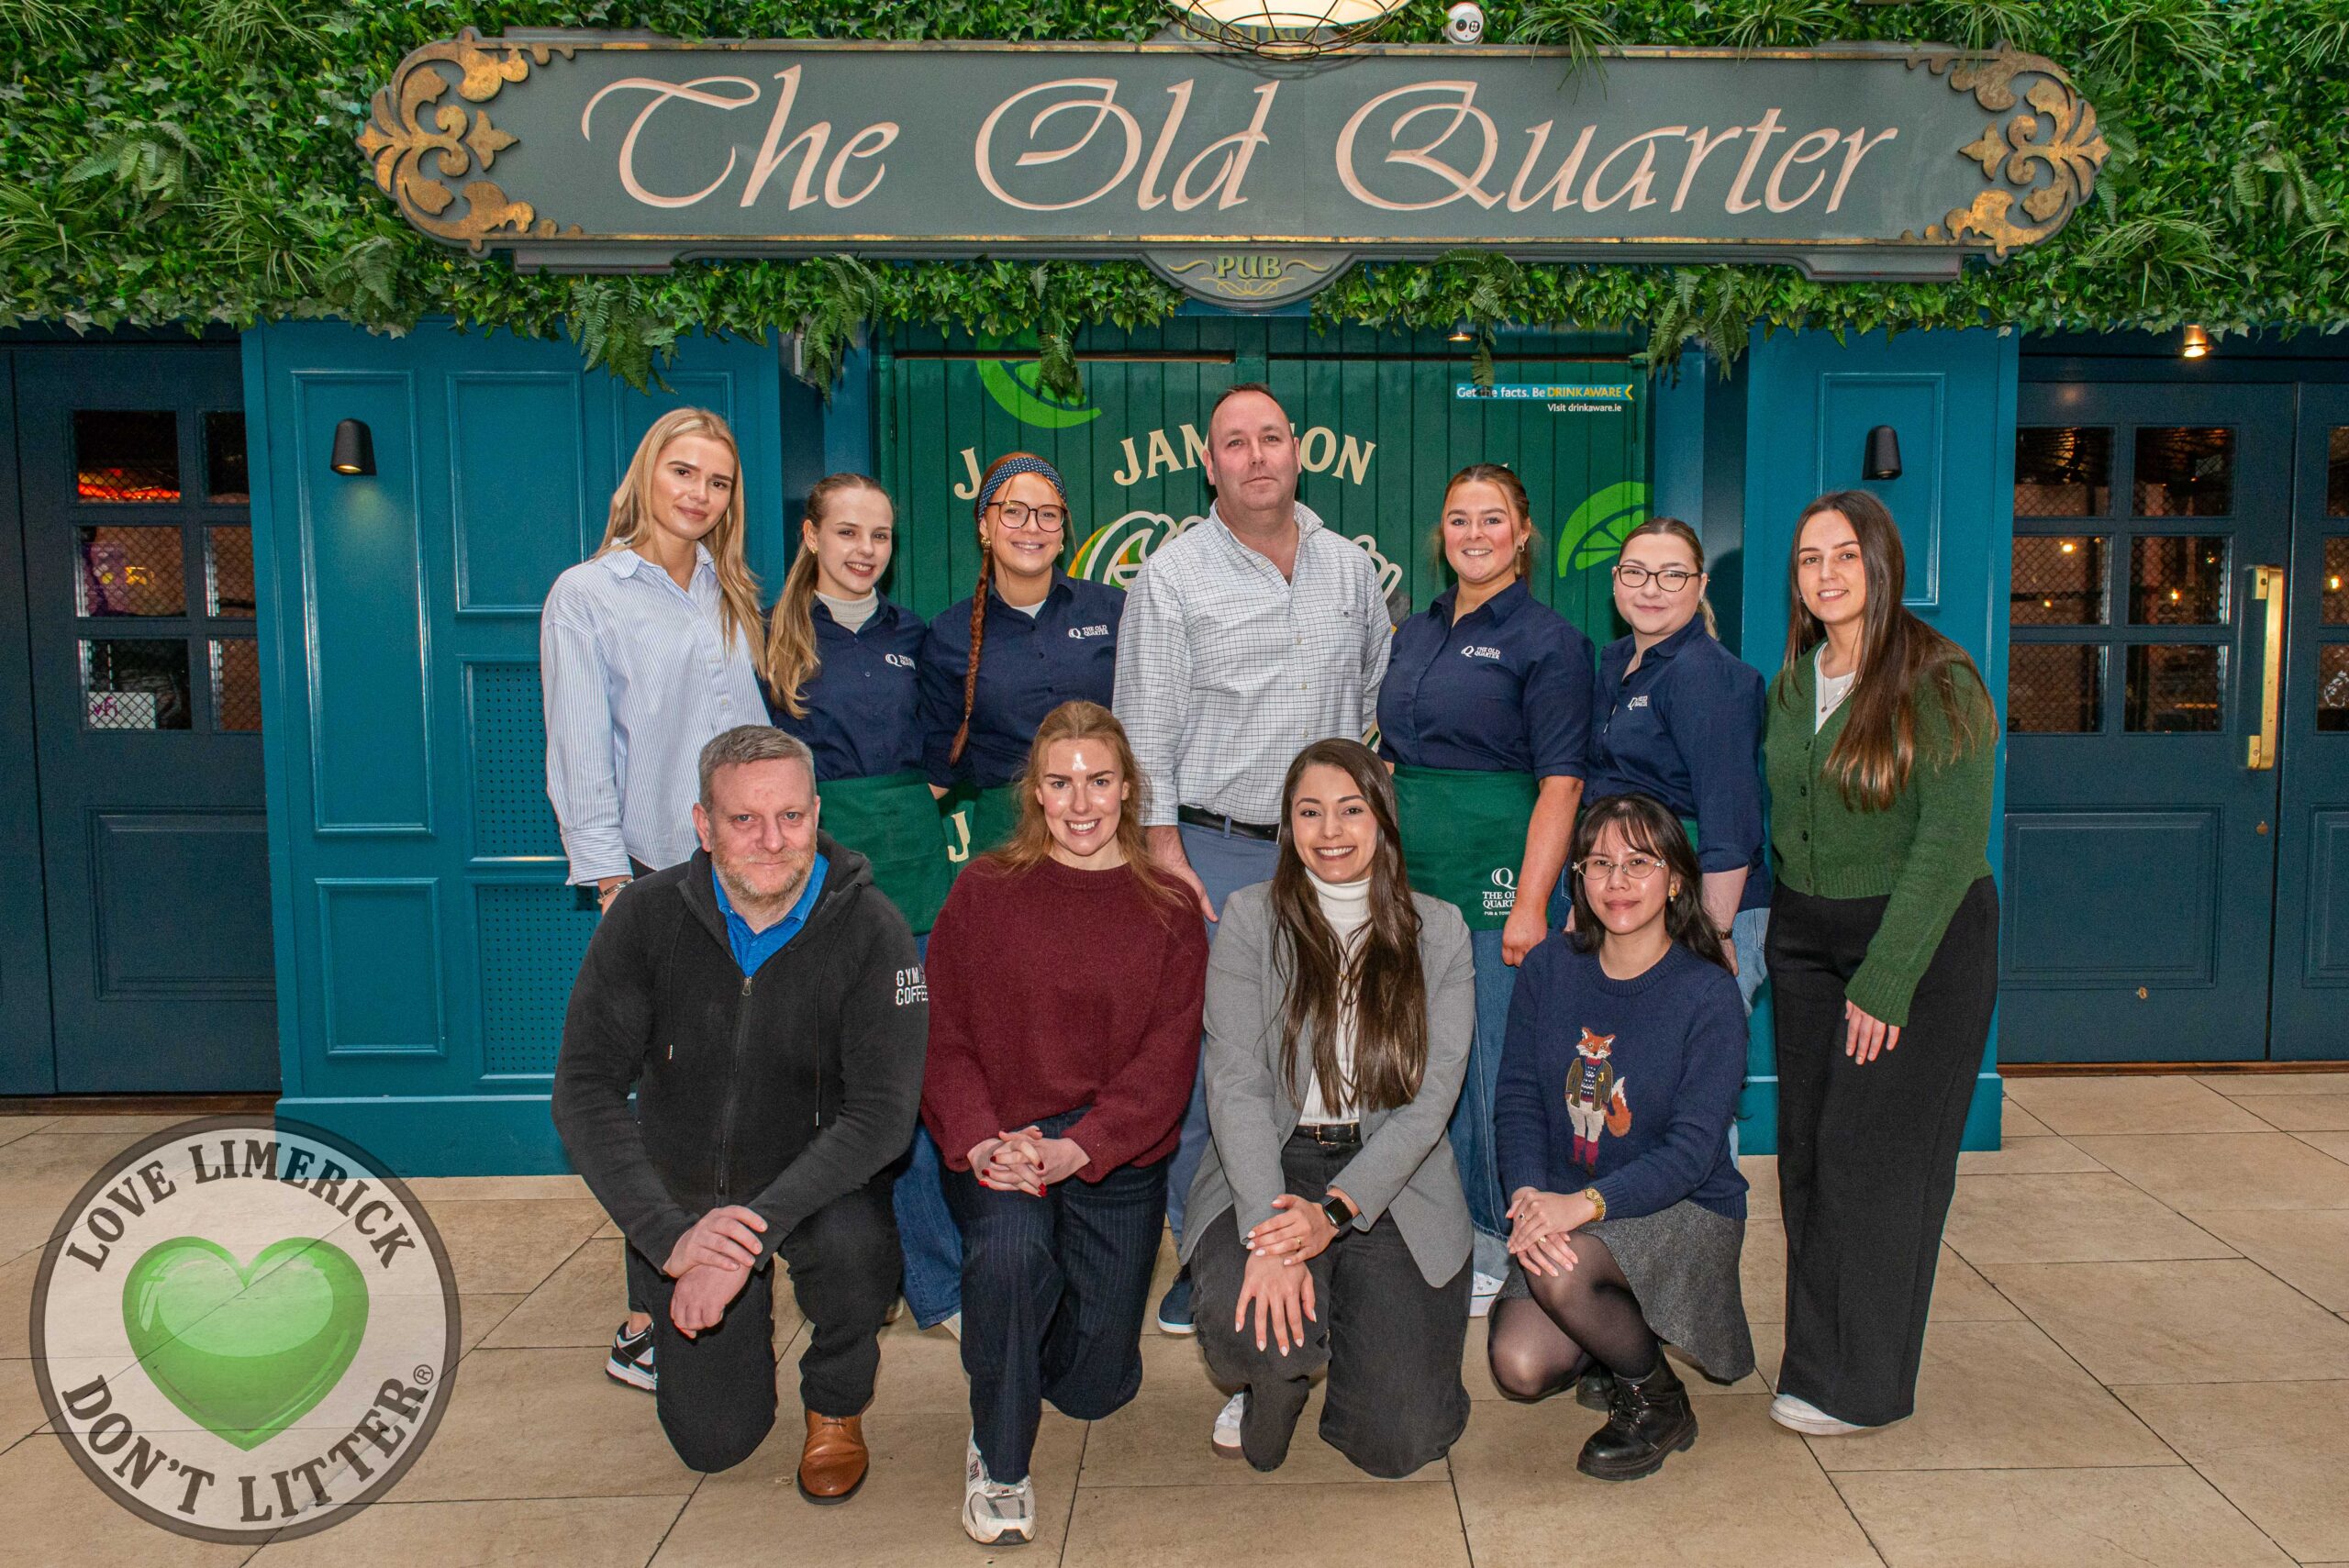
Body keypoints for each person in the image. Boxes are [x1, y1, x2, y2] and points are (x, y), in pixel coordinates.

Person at [551, 726, 926, 1497]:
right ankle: (684, 1316)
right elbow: (583, 1089)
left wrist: (743, 1241)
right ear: (702, 824)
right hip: (688, 1193)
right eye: (744, 820)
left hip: (818, 1180)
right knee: (716, 1443)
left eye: (791, 817)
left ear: (817, 814)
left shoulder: (872, 928)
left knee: (860, 1248)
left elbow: (885, 1116)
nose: (771, 840)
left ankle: (835, 1406)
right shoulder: (645, 919)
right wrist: (673, 1239)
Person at [1113, 382, 1393, 1334]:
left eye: (1270, 436)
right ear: (1209, 462)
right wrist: (1160, 852)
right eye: (1235, 442)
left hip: (1330, 856)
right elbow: (1141, 728)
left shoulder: (1348, 570)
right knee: (1213, 1063)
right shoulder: (1172, 577)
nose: (1256, 455)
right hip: (1214, 852)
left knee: (1320, 1055)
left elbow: (1373, 699)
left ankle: (1318, 1234)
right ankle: (1205, 1250)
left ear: (1297, 450)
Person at [921, 701, 1208, 1545]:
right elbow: (945, 1037)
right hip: (1003, 1142)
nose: (1081, 803)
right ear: (1034, 793)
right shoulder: (983, 891)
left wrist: (1080, 1145)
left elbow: (1167, 1063)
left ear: (1128, 789)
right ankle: (999, 1456)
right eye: (1060, 783)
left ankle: (1003, 1338)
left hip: (1110, 1152)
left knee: (1093, 1388)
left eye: (1099, 781)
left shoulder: (1169, 906)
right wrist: (980, 1139)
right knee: (1010, 1252)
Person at [540, 406, 767, 1394]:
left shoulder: (727, 591)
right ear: (645, 477)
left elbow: (750, 736)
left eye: (717, 481)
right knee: (665, 1108)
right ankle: (644, 1318)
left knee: (732, 1095)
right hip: (651, 880)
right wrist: (609, 885)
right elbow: (579, 750)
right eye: (683, 472)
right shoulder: (587, 594)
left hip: (741, 881)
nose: (699, 493)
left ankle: (717, 1273)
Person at [1763, 490, 1998, 1436]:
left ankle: (1863, 1386)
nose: (1825, 573)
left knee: (1875, 1163)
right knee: (1809, 1160)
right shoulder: (1792, 681)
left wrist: (1886, 976)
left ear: (1881, 564)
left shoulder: (1938, 677)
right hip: (1805, 939)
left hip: (1916, 941)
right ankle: (1814, 1364)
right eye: (1809, 557)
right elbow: (1792, 818)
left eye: (1845, 555)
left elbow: (1947, 841)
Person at [1183, 739, 1476, 1477]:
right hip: (1272, 1163)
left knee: (1398, 1442)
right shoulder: (1251, 919)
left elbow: (1431, 1099)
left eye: (1350, 809)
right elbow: (1237, 1082)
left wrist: (1335, 1214)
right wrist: (1269, 1234)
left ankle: (1358, 1328)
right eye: (1309, 811)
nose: (1330, 829)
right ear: (1287, 825)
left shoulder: (1438, 931)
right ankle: (1270, 1384)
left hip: (1390, 1179)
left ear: (1382, 818)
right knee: (1259, 1335)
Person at [1486, 792, 1754, 1481]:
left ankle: (1655, 1397)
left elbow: (1694, 1155)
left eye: (1639, 862)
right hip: (1569, 1207)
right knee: (1518, 1364)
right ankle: (1614, 1342)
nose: (1617, 880)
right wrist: (1528, 1197)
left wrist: (1582, 1206)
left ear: (1675, 879)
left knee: (1570, 1265)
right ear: (1579, 877)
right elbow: (1516, 1098)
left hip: (1682, 1208)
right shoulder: (1550, 967)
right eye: (1600, 862)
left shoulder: (1708, 994)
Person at [1377, 462, 1592, 1314]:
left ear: (1523, 533)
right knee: (1431, 1070)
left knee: (1499, 1068)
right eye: (1459, 518)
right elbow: (1390, 762)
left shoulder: (1549, 640)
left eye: (1492, 518)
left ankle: (1505, 1245)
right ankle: (1447, 1231)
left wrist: (1534, 903)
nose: (1474, 533)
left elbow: (1564, 784)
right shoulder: (1415, 632)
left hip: (1500, 884)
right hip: (1413, 888)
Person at [763, 473, 963, 1340]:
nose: (863, 550)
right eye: (846, 532)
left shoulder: (915, 637)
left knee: (908, 1074)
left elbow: (948, 747)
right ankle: (854, 1270)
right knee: (832, 1083)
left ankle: (937, 1281)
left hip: (914, 873)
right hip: (811, 875)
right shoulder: (770, 640)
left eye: (878, 535)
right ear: (812, 536)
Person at [1586, 517, 1772, 1011]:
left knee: (1690, 1070)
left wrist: (1716, 931)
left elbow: (1729, 818)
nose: (1651, 590)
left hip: (1702, 904)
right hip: (1634, 898)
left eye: (1672, 575)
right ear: (1615, 579)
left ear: (1700, 584)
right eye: (1635, 573)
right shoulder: (1616, 662)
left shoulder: (1708, 676)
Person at [918, 452, 1123, 861]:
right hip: (1004, 837)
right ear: (984, 525)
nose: (1032, 527)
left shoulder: (1114, 611)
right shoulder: (950, 634)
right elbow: (940, 765)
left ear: (1062, 531)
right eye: (1013, 512)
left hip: (1106, 829)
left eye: (1048, 514)